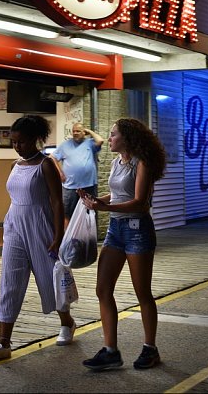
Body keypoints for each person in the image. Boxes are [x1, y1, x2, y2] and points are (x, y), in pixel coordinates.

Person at [0, 115, 76, 361]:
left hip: (41, 226)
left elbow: (57, 202)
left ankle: (67, 322)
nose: (17, 146)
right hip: (14, 226)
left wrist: (58, 235)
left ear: (35, 139)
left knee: (49, 280)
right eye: (14, 142)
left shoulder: (46, 164)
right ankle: (4, 343)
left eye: (21, 142)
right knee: (9, 281)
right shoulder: (15, 165)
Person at [80, 118, 166, 371]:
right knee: (102, 288)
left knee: (143, 293)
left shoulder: (142, 163)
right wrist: (97, 199)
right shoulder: (118, 162)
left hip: (137, 230)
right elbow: (118, 195)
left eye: (113, 134)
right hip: (116, 230)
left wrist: (105, 207)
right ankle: (110, 351)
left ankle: (150, 348)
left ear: (127, 138)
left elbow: (140, 202)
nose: (109, 138)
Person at [52, 122, 104, 224]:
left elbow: (100, 140)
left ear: (84, 132)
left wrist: (89, 131)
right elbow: (52, 158)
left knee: (90, 213)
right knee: (67, 214)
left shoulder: (90, 143)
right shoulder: (65, 145)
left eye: (78, 131)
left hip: (89, 185)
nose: (75, 133)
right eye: (74, 131)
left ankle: (88, 239)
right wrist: (60, 173)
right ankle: (67, 239)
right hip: (70, 187)